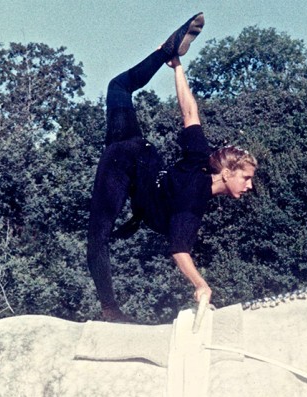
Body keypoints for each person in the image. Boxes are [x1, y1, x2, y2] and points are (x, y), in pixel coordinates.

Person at [86, 13, 258, 323]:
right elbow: (180, 252)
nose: (249, 185)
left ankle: (166, 51)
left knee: (119, 87)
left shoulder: (200, 156)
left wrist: (177, 65)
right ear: (227, 172)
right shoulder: (195, 201)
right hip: (124, 164)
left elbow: (189, 110)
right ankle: (110, 310)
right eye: (245, 177)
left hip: (136, 146)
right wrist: (201, 285)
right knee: (98, 237)